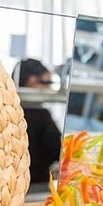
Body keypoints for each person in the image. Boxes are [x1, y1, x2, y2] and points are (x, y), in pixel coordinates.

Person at [16, 58, 62, 186]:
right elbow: (56, 151)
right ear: (33, 81)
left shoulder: (9, 110)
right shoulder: (40, 114)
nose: (48, 88)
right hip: (36, 183)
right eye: (47, 83)